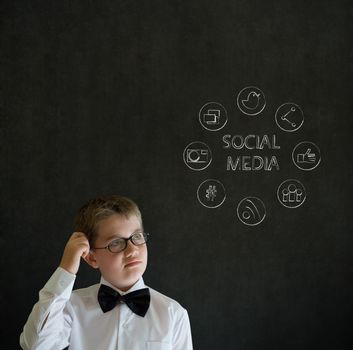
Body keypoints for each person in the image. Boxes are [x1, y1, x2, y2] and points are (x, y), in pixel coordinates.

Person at [20, 195, 193, 350]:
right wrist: (67, 268)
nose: (132, 250)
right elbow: (36, 346)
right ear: (92, 258)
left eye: (137, 237)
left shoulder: (173, 313)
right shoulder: (71, 307)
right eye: (116, 243)